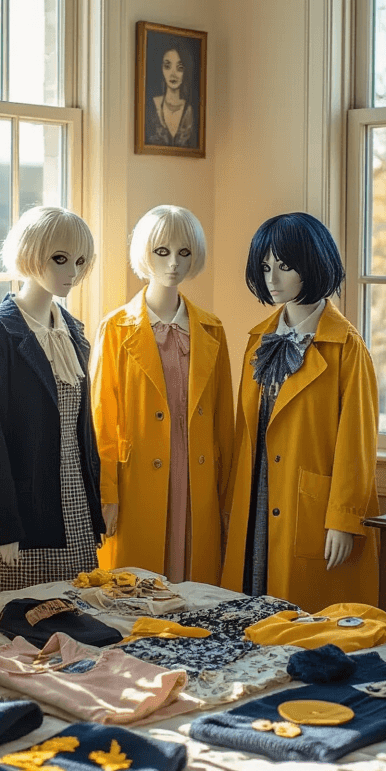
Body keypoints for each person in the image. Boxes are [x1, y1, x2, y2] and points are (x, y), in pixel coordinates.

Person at [221, 212, 379, 612]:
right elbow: (246, 431)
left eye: (284, 266)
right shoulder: (258, 339)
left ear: (313, 263)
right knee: (248, 610)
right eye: (265, 266)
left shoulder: (346, 347)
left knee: (303, 622)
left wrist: (344, 518)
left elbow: (357, 442)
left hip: (309, 505)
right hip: (257, 495)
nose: (272, 278)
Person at [91, 205, 235, 583]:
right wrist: (106, 495)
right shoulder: (116, 329)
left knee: (196, 589)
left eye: (184, 252)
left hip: (197, 481)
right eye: (162, 251)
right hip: (135, 482)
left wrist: (227, 499)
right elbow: (100, 421)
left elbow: (224, 423)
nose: (174, 263)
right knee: (134, 595)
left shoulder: (212, 329)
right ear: (145, 253)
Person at [0, 205, 105, 596]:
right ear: (30, 254)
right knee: (14, 629)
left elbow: (83, 430)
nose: (72, 272)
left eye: (80, 261)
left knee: (76, 619)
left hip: (73, 500)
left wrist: (94, 511)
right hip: (24, 509)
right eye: (59, 259)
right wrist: (3, 527)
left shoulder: (73, 333)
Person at [145, 43, 197, 148]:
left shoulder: (191, 110)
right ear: (161, 69)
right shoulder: (151, 106)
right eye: (167, 66)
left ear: (185, 71)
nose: (173, 74)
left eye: (179, 68)